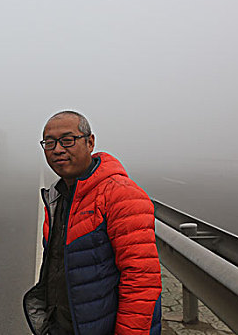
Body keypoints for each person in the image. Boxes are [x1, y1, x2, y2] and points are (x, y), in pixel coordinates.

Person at [23, 111, 162, 335]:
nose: (58, 149)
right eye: (49, 143)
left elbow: (142, 281)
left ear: (90, 142)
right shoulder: (57, 197)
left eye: (67, 140)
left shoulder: (120, 194)